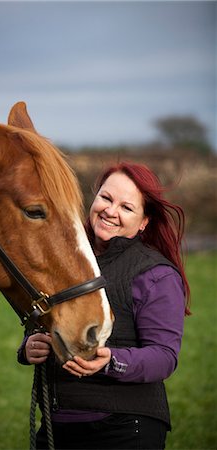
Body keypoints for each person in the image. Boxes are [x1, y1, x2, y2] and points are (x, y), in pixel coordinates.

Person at [17, 161, 190, 450]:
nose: (111, 211)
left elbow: (164, 356)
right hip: (57, 427)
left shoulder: (156, 275)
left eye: (127, 207)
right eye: (106, 198)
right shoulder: (64, 260)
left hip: (125, 429)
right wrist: (29, 346)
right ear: (94, 198)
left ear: (144, 221)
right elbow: (47, 318)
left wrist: (111, 361)